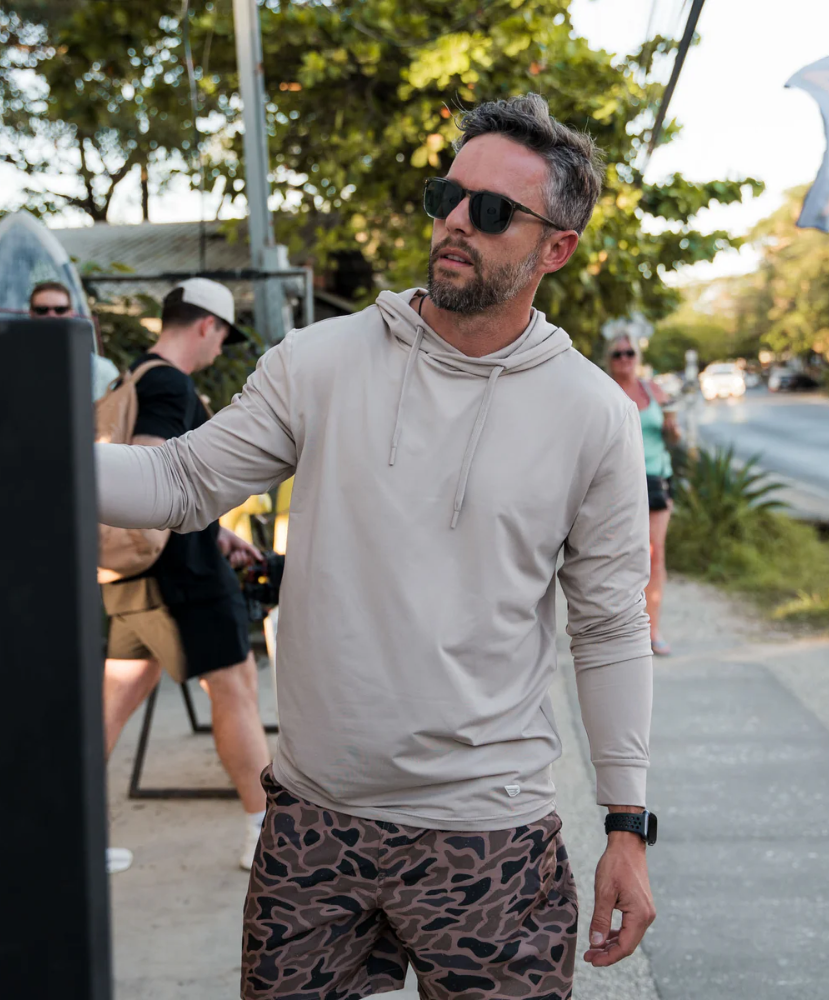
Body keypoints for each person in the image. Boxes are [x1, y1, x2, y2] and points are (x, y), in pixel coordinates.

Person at [97, 94, 656, 999]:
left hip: (489, 833)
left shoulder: (592, 414)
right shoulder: (318, 361)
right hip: (313, 819)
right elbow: (179, 484)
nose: (453, 223)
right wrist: (36, 440)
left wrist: (625, 824)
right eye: (446, 195)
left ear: (556, 247)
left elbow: (609, 627)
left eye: (491, 211)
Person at [101, 278, 272, 872]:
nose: (219, 351)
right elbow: (147, 476)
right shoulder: (171, 384)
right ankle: (265, 836)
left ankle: (61, 829)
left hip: (133, 577)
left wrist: (216, 531)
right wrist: (197, 540)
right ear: (207, 326)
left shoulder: (137, 374)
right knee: (236, 692)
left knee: (110, 705)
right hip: (182, 581)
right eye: (222, 338)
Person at [607, 335, 680, 656]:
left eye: (629, 352)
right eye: (617, 353)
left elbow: (672, 434)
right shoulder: (603, 390)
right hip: (617, 482)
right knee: (618, 555)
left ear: (638, 355)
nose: (624, 358)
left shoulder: (654, 390)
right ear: (609, 358)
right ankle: (618, 626)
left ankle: (652, 629)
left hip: (655, 478)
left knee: (655, 554)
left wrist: (673, 428)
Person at [29, 280, 120, 400]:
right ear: (31, 314)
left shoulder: (101, 369)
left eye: (60, 310)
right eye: (42, 310)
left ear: (71, 313)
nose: (51, 315)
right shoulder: (11, 364)